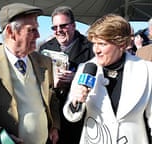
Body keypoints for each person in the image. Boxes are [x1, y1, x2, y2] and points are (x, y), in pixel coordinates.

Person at [0, 3, 60, 144]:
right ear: (10, 32)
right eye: (31, 30)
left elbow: (52, 97)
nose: (38, 35)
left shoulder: (43, 61)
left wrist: (54, 126)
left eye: (37, 29)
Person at [63, 13, 152, 144]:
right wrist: (77, 101)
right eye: (94, 43)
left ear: (121, 44)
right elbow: (72, 116)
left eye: (102, 44)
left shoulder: (146, 69)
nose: (96, 50)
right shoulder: (85, 68)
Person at [39, 6, 94, 143]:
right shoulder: (45, 48)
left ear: (74, 26)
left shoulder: (91, 47)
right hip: (54, 115)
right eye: (54, 27)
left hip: (80, 114)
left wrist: (75, 79)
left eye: (63, 26)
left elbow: (98, 78)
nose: (58, 31)